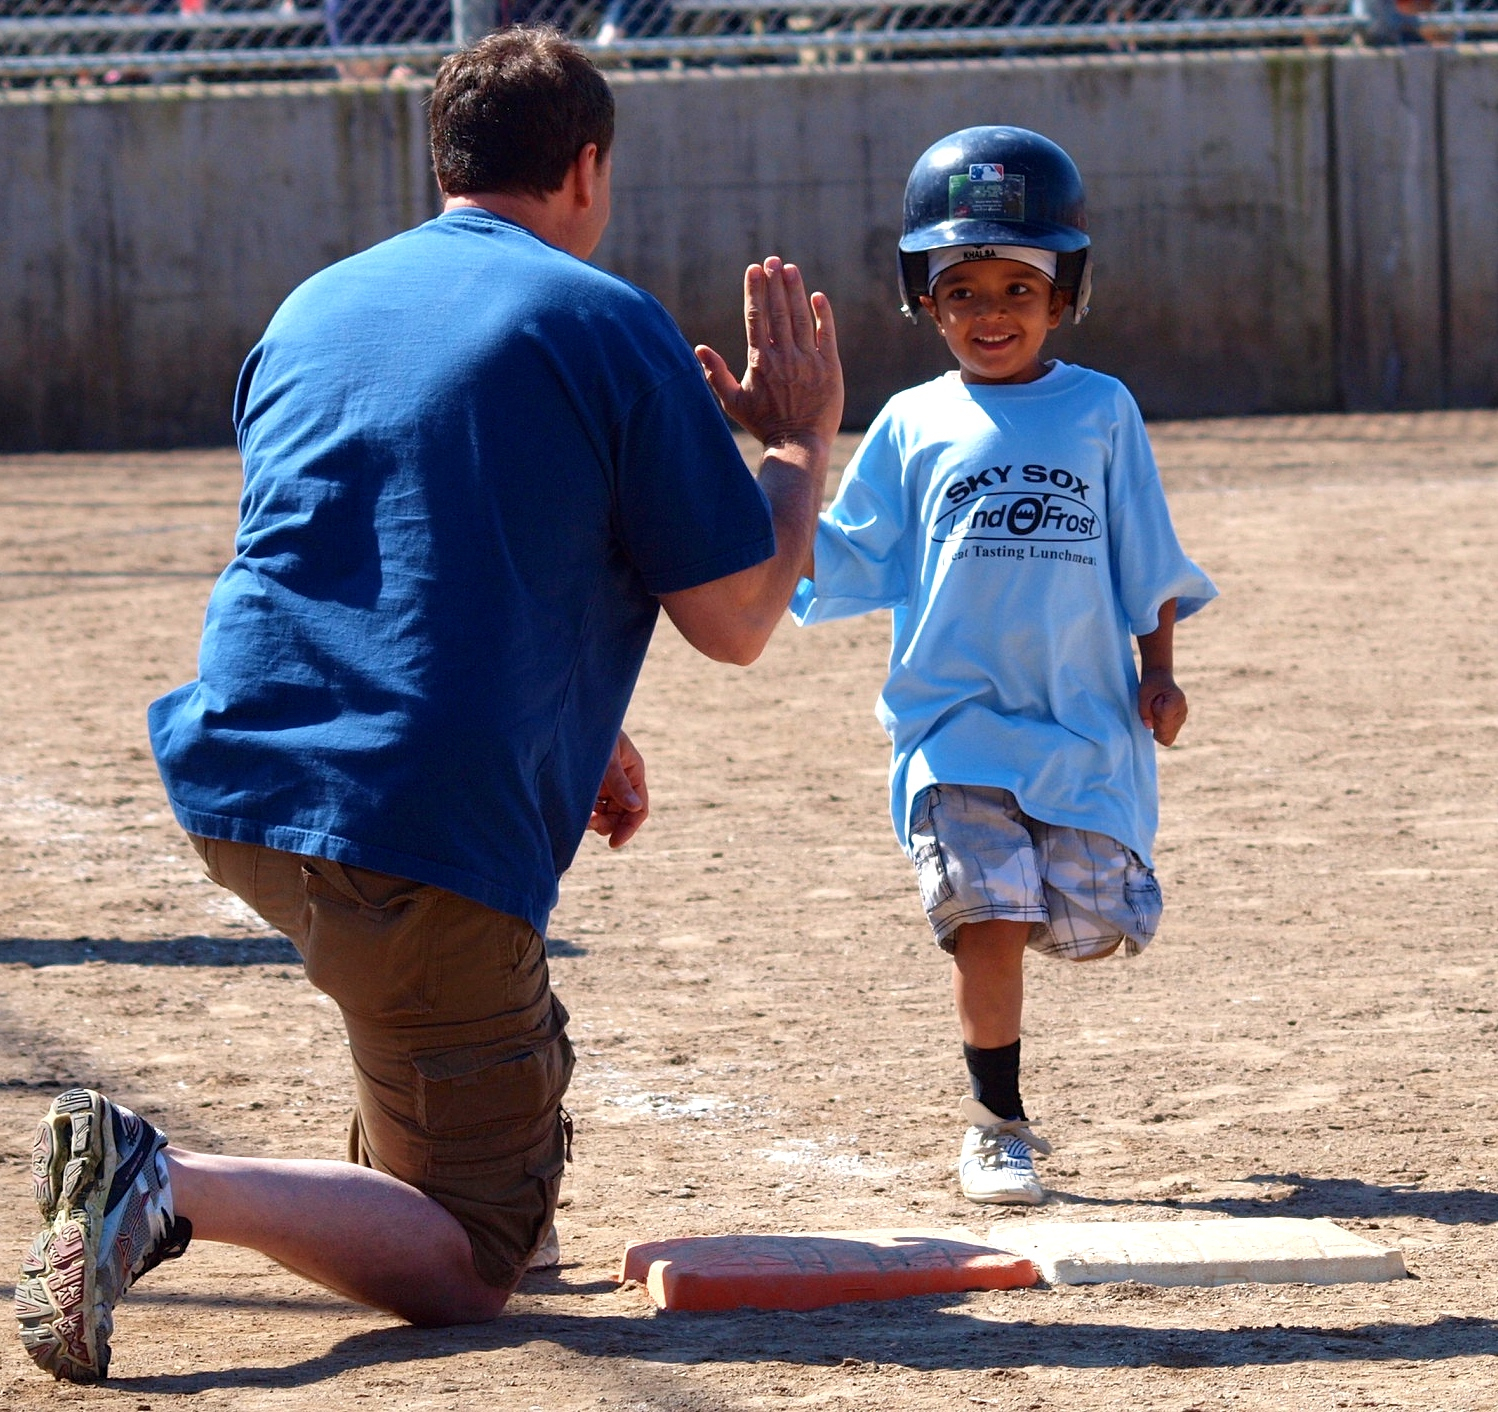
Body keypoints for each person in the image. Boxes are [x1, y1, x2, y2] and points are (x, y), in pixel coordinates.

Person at [14, 26, 842, 1383]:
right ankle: (159, 1182)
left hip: (241, 777)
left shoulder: (316, 304)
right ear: (585, 167)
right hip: (410, 817)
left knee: (456, 1004)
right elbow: (739, 621)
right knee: (471, 1259)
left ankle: (376, 1169)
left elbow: (391, 547)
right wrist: (800, 442)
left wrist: (581, 728)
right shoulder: (604, 319)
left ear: (441, 162)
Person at [790, 127, 1216, 1207]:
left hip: (1079, 721)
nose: (990, 311)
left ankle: (1036, 901)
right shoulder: (911, 421)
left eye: (1018, 285)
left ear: (1064, 294)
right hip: (956, 723)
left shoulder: (1101, 410)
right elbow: (839, 551)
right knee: (987, 924)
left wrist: (1156, 668)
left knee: (1082, 920)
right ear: (924, 304)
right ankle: (996, 1122)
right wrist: (764, 478)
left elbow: (1144, 554)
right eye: (961, 288)